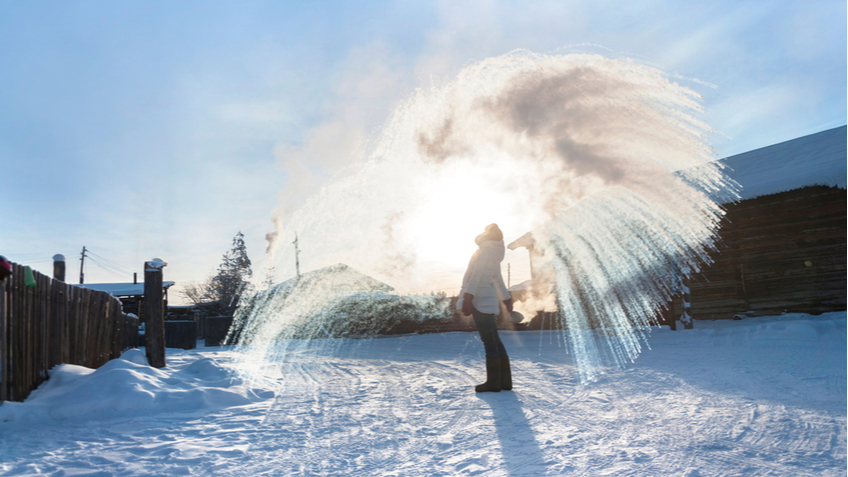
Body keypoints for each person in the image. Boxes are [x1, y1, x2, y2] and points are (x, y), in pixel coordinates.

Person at [458, 223, 514, 393]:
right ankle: (505, 381)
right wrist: (506, 299)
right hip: (488, 302)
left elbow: (475, 277)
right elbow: (498, 280)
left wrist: (468, 297)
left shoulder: (483, 253)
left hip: (480, 302)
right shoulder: (494, 255)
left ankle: (494, 383)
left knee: (489, 340)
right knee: (495, 340)